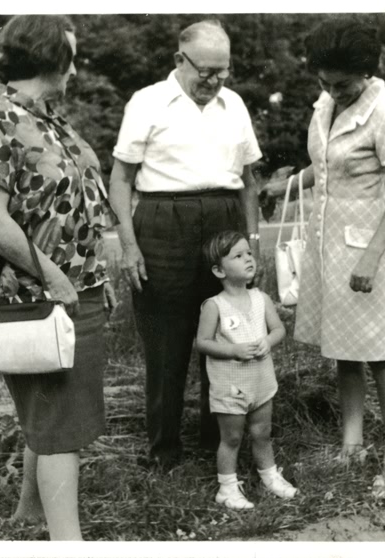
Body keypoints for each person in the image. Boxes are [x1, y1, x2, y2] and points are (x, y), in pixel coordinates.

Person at [0, 15, 116, 540]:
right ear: (49, 58)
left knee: (52, 416)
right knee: (60, 429)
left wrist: (93, 273)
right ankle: (66, 543)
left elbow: (73, 205)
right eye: (70, 57)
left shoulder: (51, 118)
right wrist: (54, 276)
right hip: (35, 296)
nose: (75, 69)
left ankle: (29, 514)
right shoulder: (0, 118)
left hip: (76, 288)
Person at [260, 18, 385, 484]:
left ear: (365, 72)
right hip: (327, 245)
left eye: (341, 83)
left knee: (384, 351)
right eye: (323, 82)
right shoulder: (326, 103)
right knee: (344, 349)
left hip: (368, 246)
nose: (331, 91)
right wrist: (290, 183)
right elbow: (325, 166)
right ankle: (352, 443)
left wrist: (371, 256)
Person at [109, 20, 262, 468]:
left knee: (227, 334)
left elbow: (249, 185)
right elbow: (120, 180)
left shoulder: (234, 105)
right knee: (166, 344)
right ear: (180, 60)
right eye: (205, 72)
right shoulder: (147, 102)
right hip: (162, 223)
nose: (213, 83)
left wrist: (252, 242)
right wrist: (129, 244)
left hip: (224, 222)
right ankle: (163, 453)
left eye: (222, 72)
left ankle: (220, 448)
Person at [195, 231, 296, 510]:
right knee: (232, 437)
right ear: (219, 270)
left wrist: (267, 341)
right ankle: (227, 488)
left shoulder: (260, 298)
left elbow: (279, 329)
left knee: (262, 431)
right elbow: (201, 343)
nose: (248, 259)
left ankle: (270, 476)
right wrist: (233, 351)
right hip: (231, 385)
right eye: (237, 256)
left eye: (248, 253)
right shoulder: (214, 306)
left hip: (261, 381)